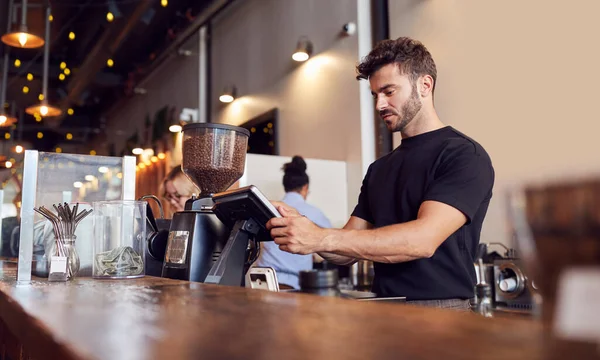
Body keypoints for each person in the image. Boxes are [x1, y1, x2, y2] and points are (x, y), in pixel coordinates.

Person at [266, 37, 495, 310]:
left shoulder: (464, 154)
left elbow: (422, 241)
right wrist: (303, 227)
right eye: (375, 94)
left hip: (442, 310)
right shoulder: (379, 169)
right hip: (383, 307)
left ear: (425, 85)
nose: (379, 105)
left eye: (389, 91)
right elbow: (345, 252)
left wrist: (320, 237)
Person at [255, 156, 332, 289]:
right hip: (291, 286)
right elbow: (330, 245)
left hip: (261, 282)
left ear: (285, 186)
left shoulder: (269, 209)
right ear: (305, 188)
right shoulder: (313, 213)